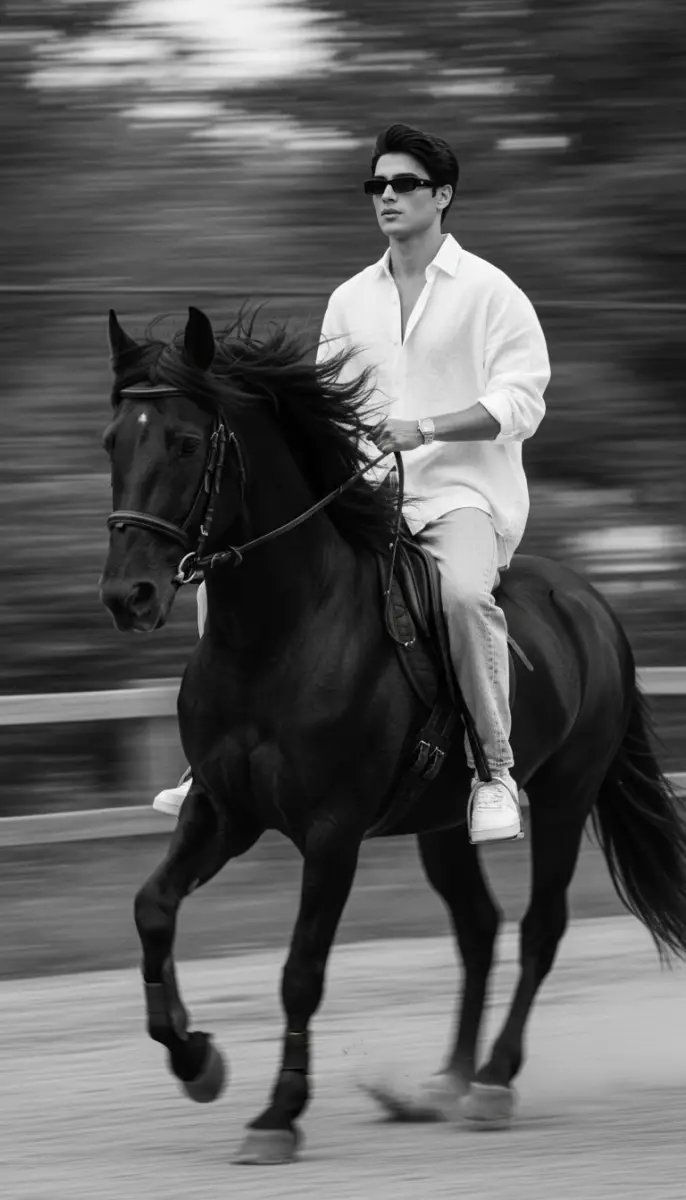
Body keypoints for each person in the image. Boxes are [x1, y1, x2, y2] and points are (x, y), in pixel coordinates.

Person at [153, 122, 550, 842]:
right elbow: (329, 412)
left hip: (462, 497)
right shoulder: (350, 300)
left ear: (442, 195)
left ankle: (494, 772)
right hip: (368, 496)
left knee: (461, 596)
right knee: (227, 574)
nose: (387, 197)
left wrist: (424, 429)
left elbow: (523, 404)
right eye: (377, 185)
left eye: (403, 184)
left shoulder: (493, 293)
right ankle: (209, 762)